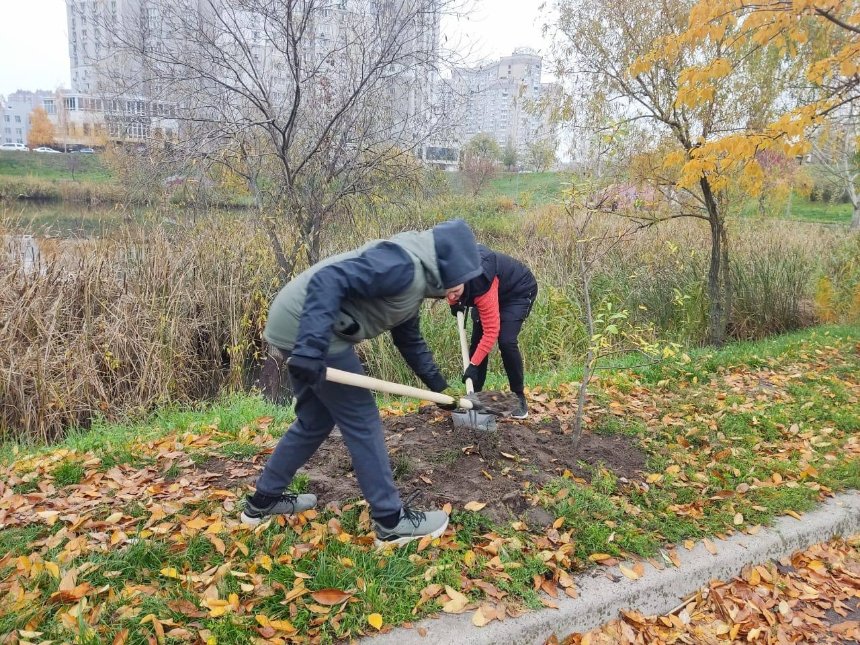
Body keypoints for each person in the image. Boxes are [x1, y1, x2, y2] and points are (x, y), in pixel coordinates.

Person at [241, 219, 483, 547]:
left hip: (300, 326)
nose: (460, 291)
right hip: (310, 328)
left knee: (314, 420)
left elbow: (409, 340)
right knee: (363, 420)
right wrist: (311, 348)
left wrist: (440, 390)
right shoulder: (402, 267)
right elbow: (329, 280)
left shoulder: (416, 284)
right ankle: (390, 522)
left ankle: (262, 502)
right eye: (460, 280)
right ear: (446, 263)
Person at [448, 245, 538, 419]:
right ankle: (475, 397)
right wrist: (454, 303)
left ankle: (519, 397)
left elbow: (491, 332)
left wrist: (472, 366)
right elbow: (449, 289)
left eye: (455, 292)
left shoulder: (481, 282)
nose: (451, 296)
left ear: (464, 280)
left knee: (506, 341)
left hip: (517, 291)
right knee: (476, 342)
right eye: (448, 292)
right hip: (490, 290)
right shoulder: (447, 271)